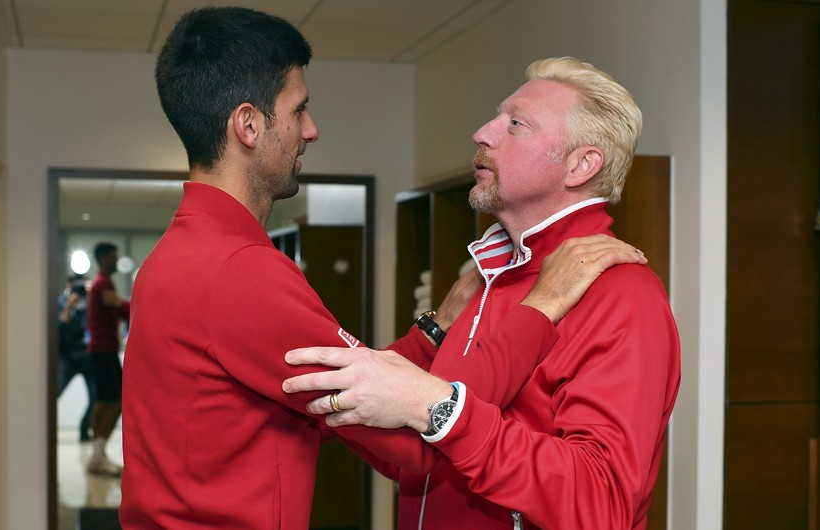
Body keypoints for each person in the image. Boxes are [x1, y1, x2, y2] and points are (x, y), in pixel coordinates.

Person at [119, 8, 647, 529]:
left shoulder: (174, 257)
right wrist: (538, 310)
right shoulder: (240, 273)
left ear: (583, 164)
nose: (311, 130)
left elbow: (360, 399)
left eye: (515, 124)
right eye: (299, 110)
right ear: (249, 125)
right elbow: (411, 445)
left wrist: (432, 331)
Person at [283, 57, 681, 530]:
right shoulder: (487, 278)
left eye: (515, 124)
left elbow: (604, 503)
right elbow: (415, 459)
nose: (482, 132)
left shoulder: (619, 292)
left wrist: (447, 414)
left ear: (580, 165)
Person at [86, 242, 130, 476]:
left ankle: (97, 455)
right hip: (104, 351)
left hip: (100, 351)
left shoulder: (100, 284)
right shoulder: (103, 284)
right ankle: (98, 456)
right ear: (103, 258)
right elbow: (125, 310)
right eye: (113, 256)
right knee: (115, 401)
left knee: (104, 402)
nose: (116, 260)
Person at [57, 274, 94, 442]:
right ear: (68, 285)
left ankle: (84, 431)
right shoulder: (60, 302)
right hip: (66, 356)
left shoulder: (90, 303)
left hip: (87, 356)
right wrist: (69, 307)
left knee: (95, 396)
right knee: (54, 392)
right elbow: (60, 326)